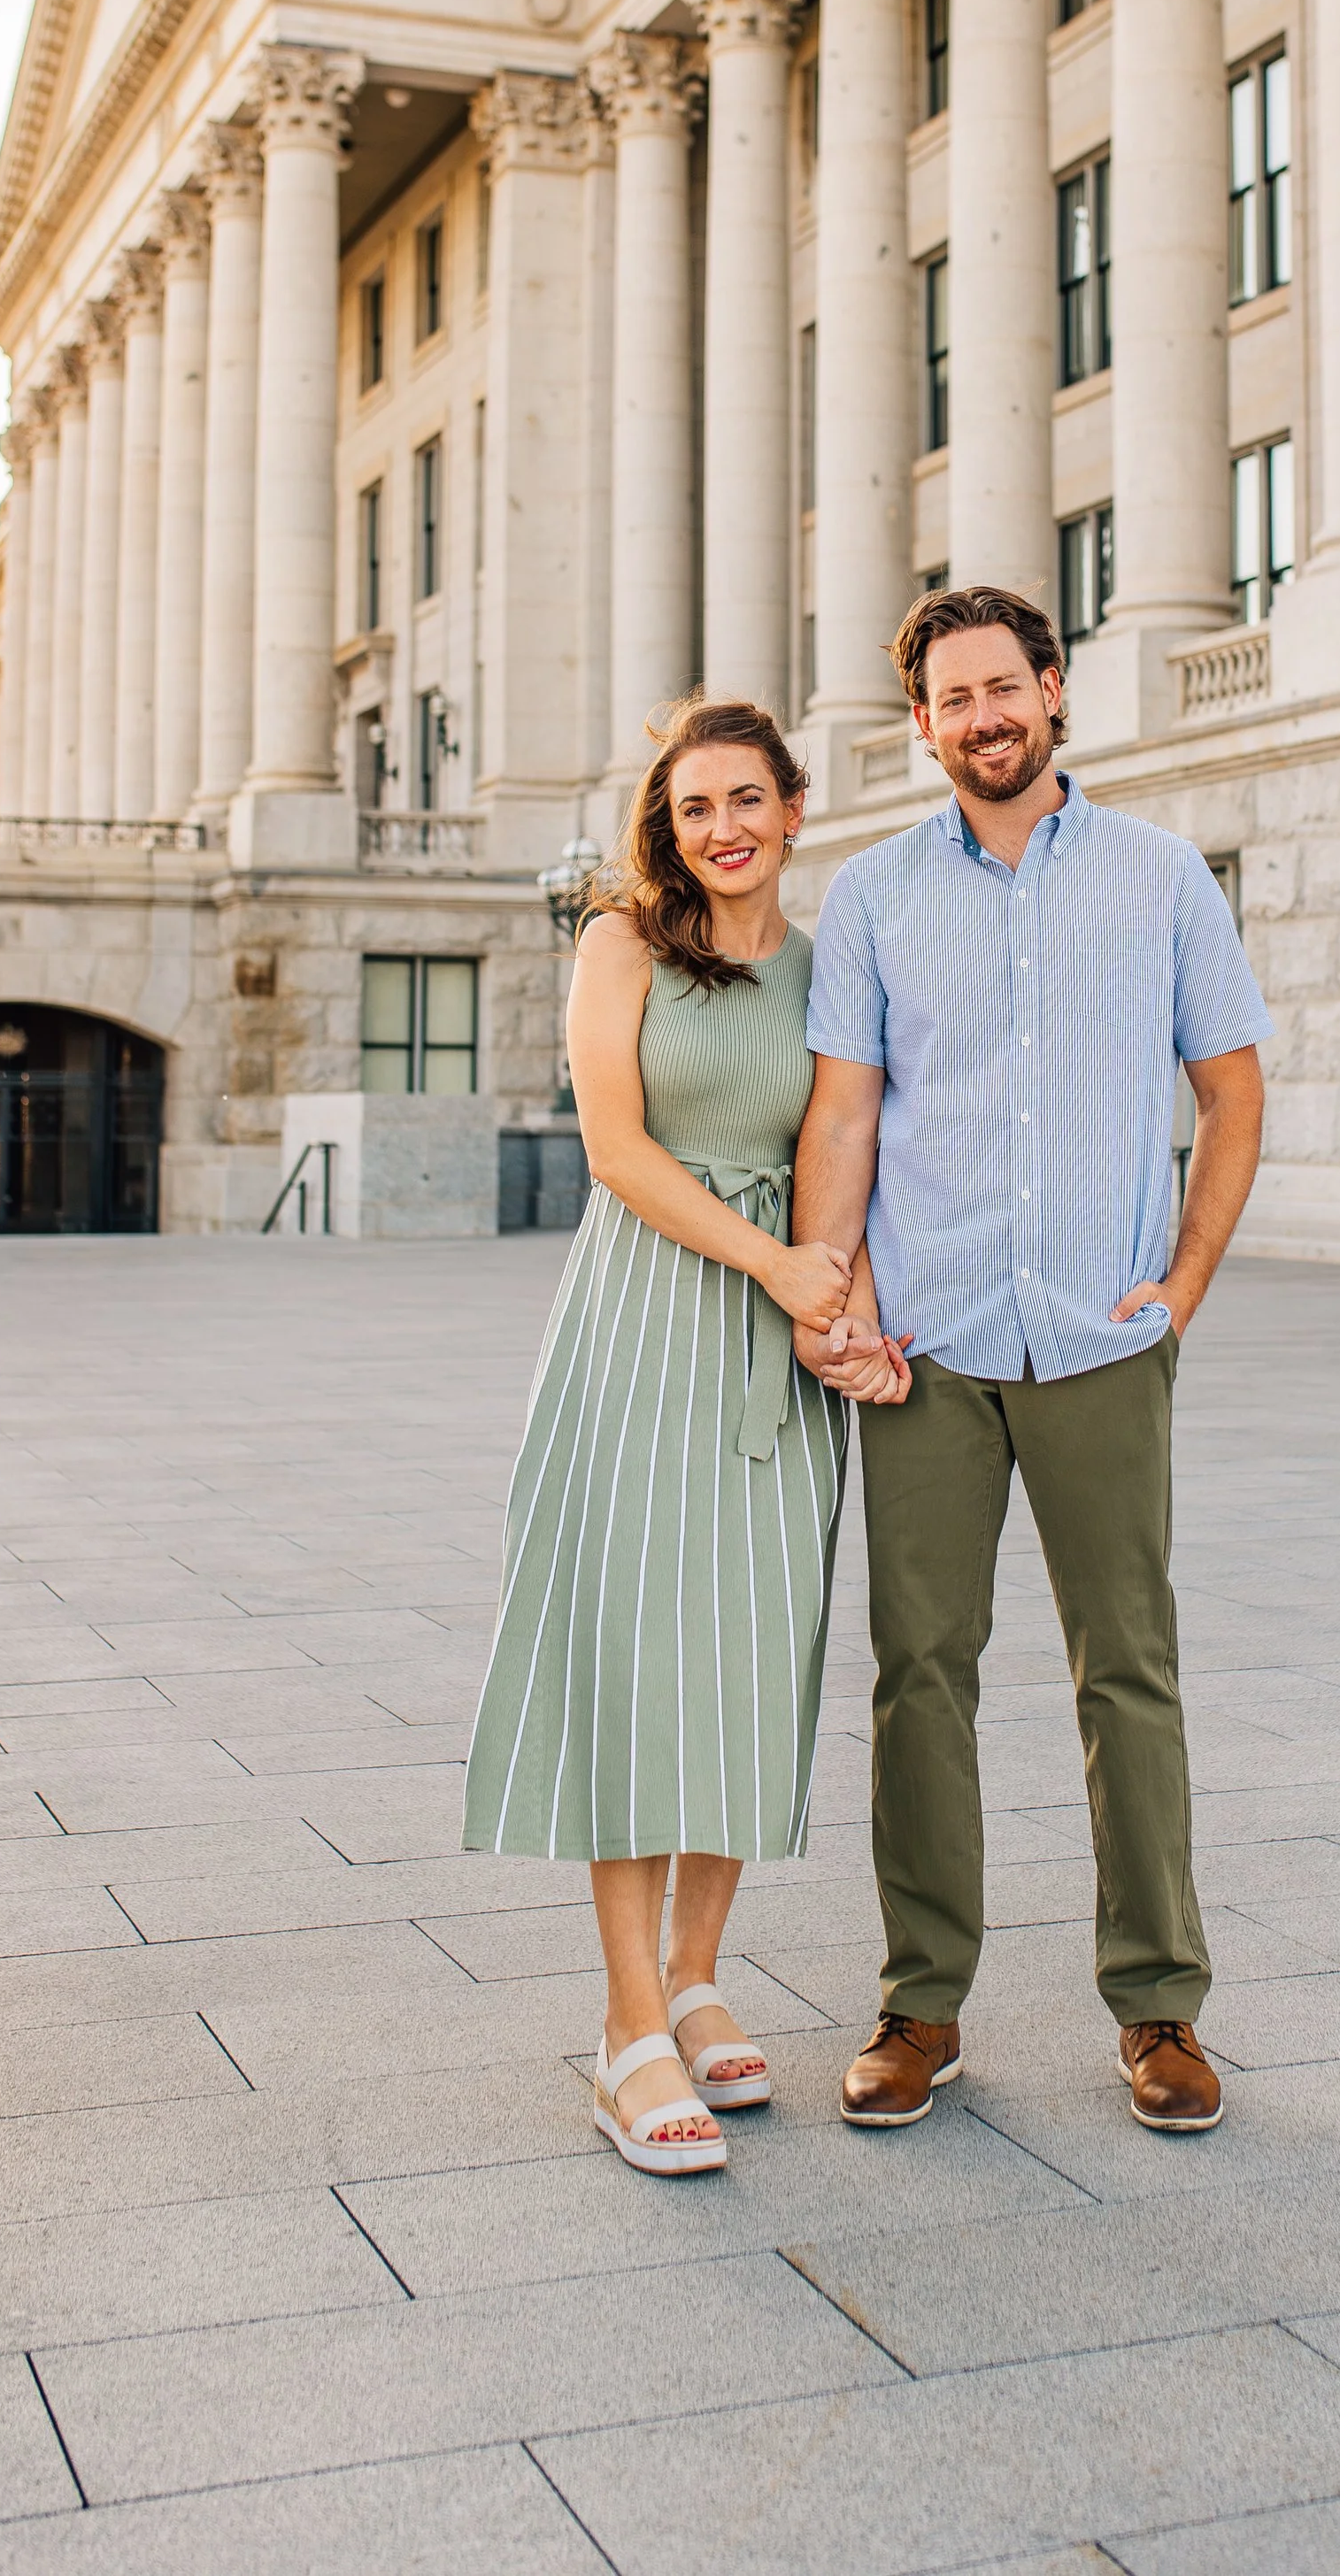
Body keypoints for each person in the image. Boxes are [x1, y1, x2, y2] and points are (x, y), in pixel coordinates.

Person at [796, 587, 1271, 2134]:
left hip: (1098, 1339)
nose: (984, 715)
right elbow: (847, 1115)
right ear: (923, 725)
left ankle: (1161, 2010)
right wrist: (839, 1296)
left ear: (1055, 692)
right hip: (927, 1345)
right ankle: (919, 2005)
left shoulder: (1156, 876)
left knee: (1126, 1669)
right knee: (916, 1675)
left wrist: (1179, 1290)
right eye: (954, 697)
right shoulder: (871, 895)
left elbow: (1234, 1091)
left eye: (1006, 686)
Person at [464, 696, 908, 2176]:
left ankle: (704, 1969)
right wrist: (778, 1264)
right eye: (692, 804)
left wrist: (839, 1299)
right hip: (650, 1315)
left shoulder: (830, 957)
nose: (720, 826)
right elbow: (616, 1150)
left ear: (793, 807)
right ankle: (629, 2023)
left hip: (781, 1336)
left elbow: (847, 1138)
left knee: (749, 1649)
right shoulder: (620, 946)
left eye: (746, 799)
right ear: (669, 824)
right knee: (638, 1655)